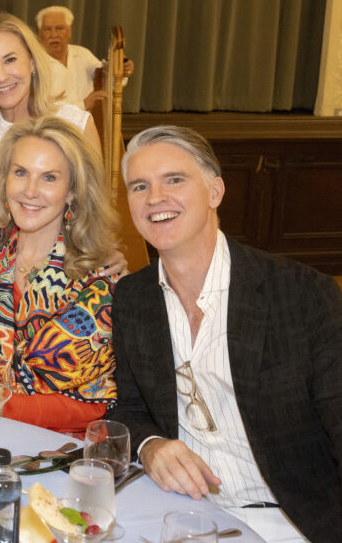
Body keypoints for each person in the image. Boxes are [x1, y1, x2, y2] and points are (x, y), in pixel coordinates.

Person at [109, 125, 342, 542]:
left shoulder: (302, 294)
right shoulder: (133, 297)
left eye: (174, 179)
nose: (155, 197)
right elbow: (128, 408)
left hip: (289, 520)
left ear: (215, 192)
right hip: (183, 512)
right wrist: (151, 446)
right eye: (139, 186)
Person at [0, 117, 118, 434]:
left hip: (56, 455)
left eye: (49, 178)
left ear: (71, 191)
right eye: (21, 173)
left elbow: (93, 403)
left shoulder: (97, 279)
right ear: (5, 180)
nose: (30, 191)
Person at [0, 11, 103, 244]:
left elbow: (95, 211)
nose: (1, 76)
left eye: (10, 60)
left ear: (32, 62)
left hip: (56, 268)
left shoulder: (77, 125)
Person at [35, 5, 134, 111]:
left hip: (86, 124)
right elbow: (40, 110)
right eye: (47, 29)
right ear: (39, 34)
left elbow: (107, 82)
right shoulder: (34, 63)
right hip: (54, 126)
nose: (54, 34)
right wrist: (82, 105)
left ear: (69, 31)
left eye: (60, 28)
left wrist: (120, 70)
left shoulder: (82, 54)